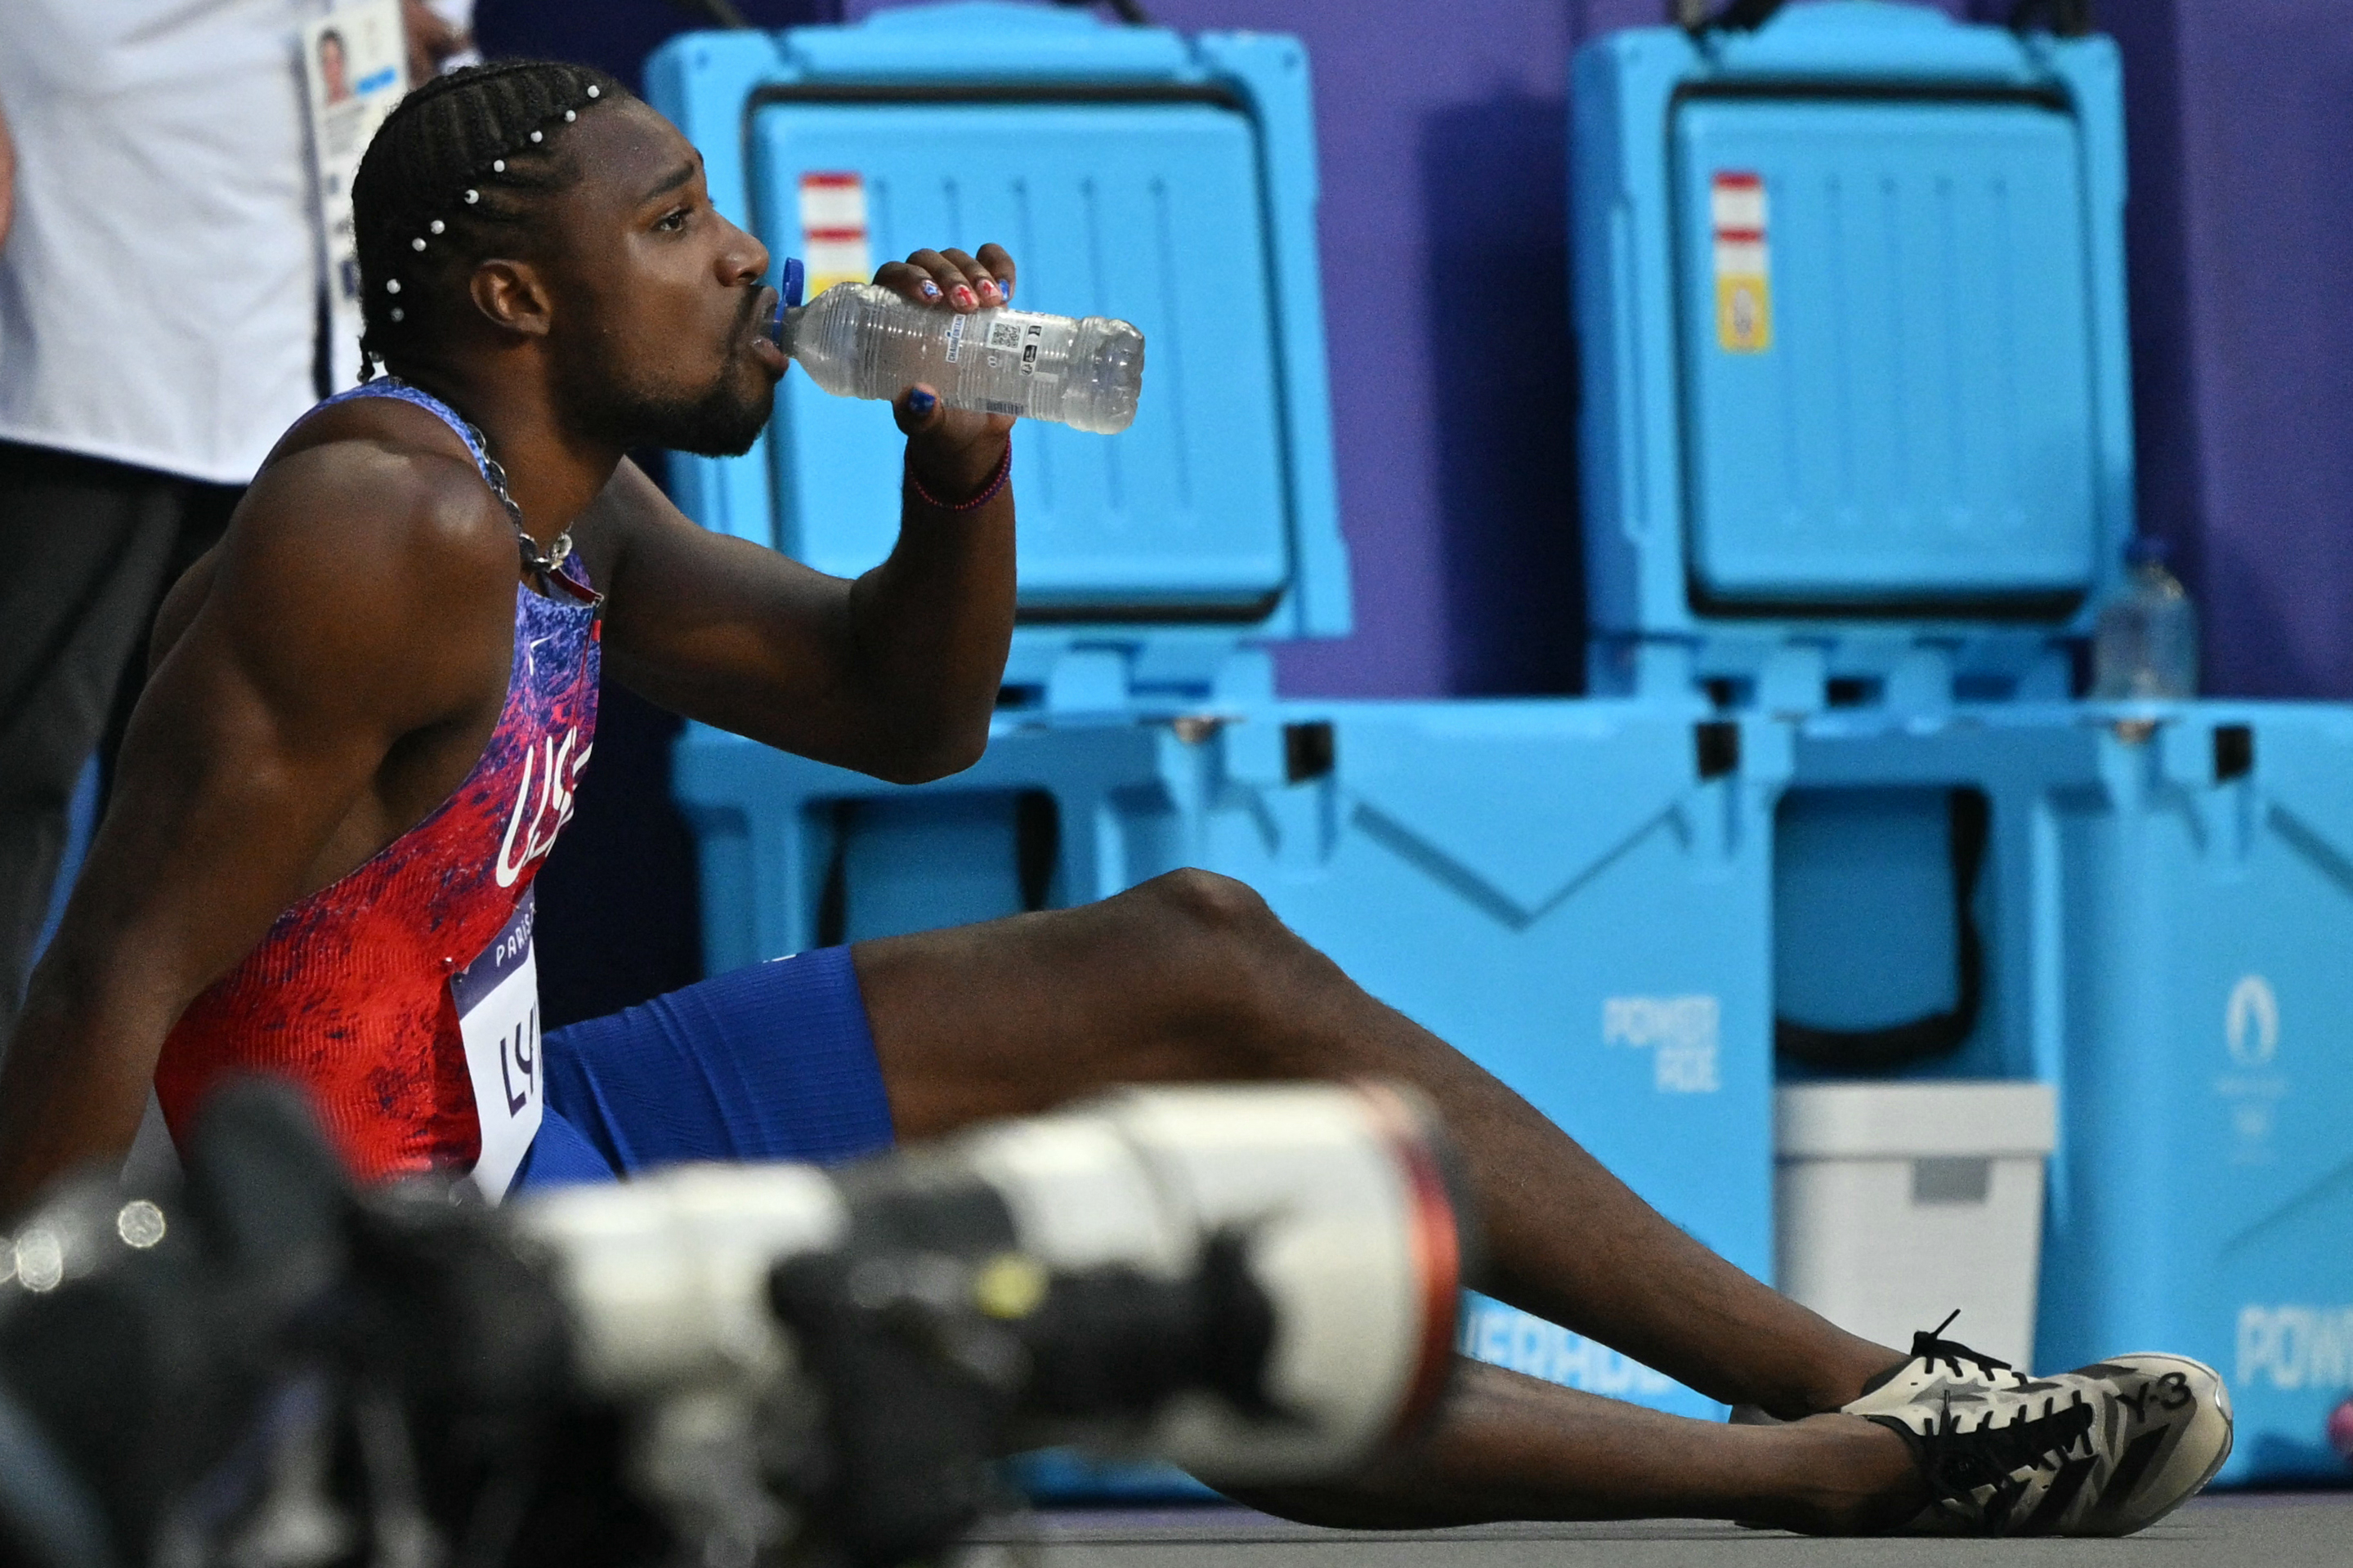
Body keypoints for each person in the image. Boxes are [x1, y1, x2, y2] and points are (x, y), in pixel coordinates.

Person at [0, 61, 2230, 1539]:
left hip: (540, 1129)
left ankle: (1898, 1393)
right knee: (1120, 1280)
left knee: (1200, 956)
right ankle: (1820, 1473)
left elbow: (905, 717)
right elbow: (115, 963)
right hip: (406, 1274)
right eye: (675, 223)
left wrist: (954, 476)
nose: (747, 255)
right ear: (513, 294)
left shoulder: (579, 505)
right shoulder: (380, 523)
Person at [0, 0, 469, 1043]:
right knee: (19, 765)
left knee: (238, 797)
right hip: (85, 249)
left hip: (312, 288)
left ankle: (206, 1165)